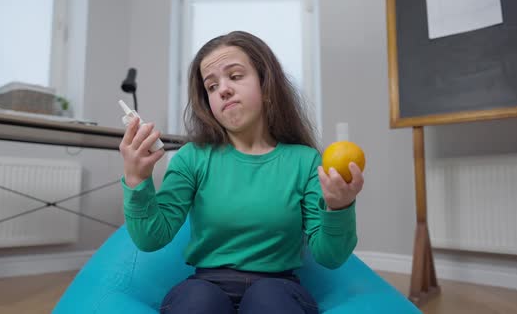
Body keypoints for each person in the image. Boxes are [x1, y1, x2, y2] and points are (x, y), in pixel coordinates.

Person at [119, 31, 364, 314]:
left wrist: (339, 207)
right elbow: (151, 238)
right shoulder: (192, 158)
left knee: (268, 299)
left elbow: (330, 256)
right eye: (211, 86)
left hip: (279, 288)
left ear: (267, 85)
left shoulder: (306, 161)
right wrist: (137, 180)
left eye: (235, 76)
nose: (222, 89)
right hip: (205, 286)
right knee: (198, 301)